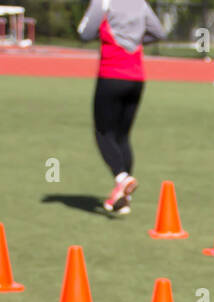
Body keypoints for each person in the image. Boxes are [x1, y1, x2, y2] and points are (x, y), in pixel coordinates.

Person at [77, 0, 166, 215]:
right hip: (137, 77)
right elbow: (159, 32)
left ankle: (122, 178)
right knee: (122, 136)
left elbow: (84, 33)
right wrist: (135, 38)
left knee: (103, 133)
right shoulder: (140, 3)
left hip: (112, 74)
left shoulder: (104, 1)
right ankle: (124, 199)